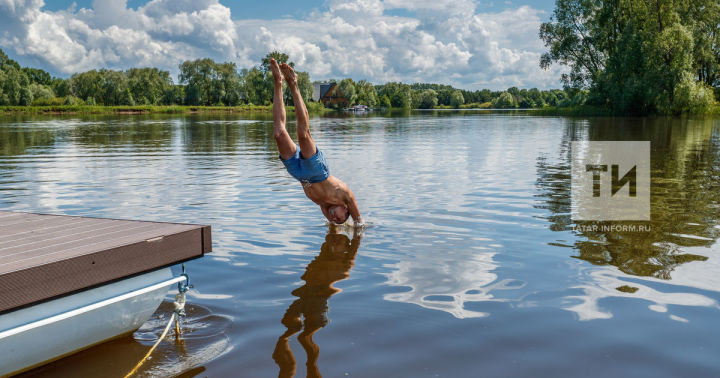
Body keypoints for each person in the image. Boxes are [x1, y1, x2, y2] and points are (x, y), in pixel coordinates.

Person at [270, 58, 362, 225]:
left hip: (299, 174)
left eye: (336, 220)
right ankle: (294, 84)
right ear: (346, 209)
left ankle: (278, 82)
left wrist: (336, 228)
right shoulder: (346, 196)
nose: (335, 219)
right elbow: (359, 223)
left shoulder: (327, 210)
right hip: (317, 172)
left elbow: (334, 229)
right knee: (303, 134)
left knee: (278, 133)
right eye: (340, 218)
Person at [272, 225, 362, 378]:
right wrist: (333, 218)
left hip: (318, 302)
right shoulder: (324, 254)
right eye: (334, 240)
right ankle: (291, 365)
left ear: (347, 247)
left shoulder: (345, 266)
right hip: (305, 296)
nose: (334, 242)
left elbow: (355, 244)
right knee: (288, 322)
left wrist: (357, 227)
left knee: (306, 335)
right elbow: (331, 234)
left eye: (339, 241)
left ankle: (310, 368)